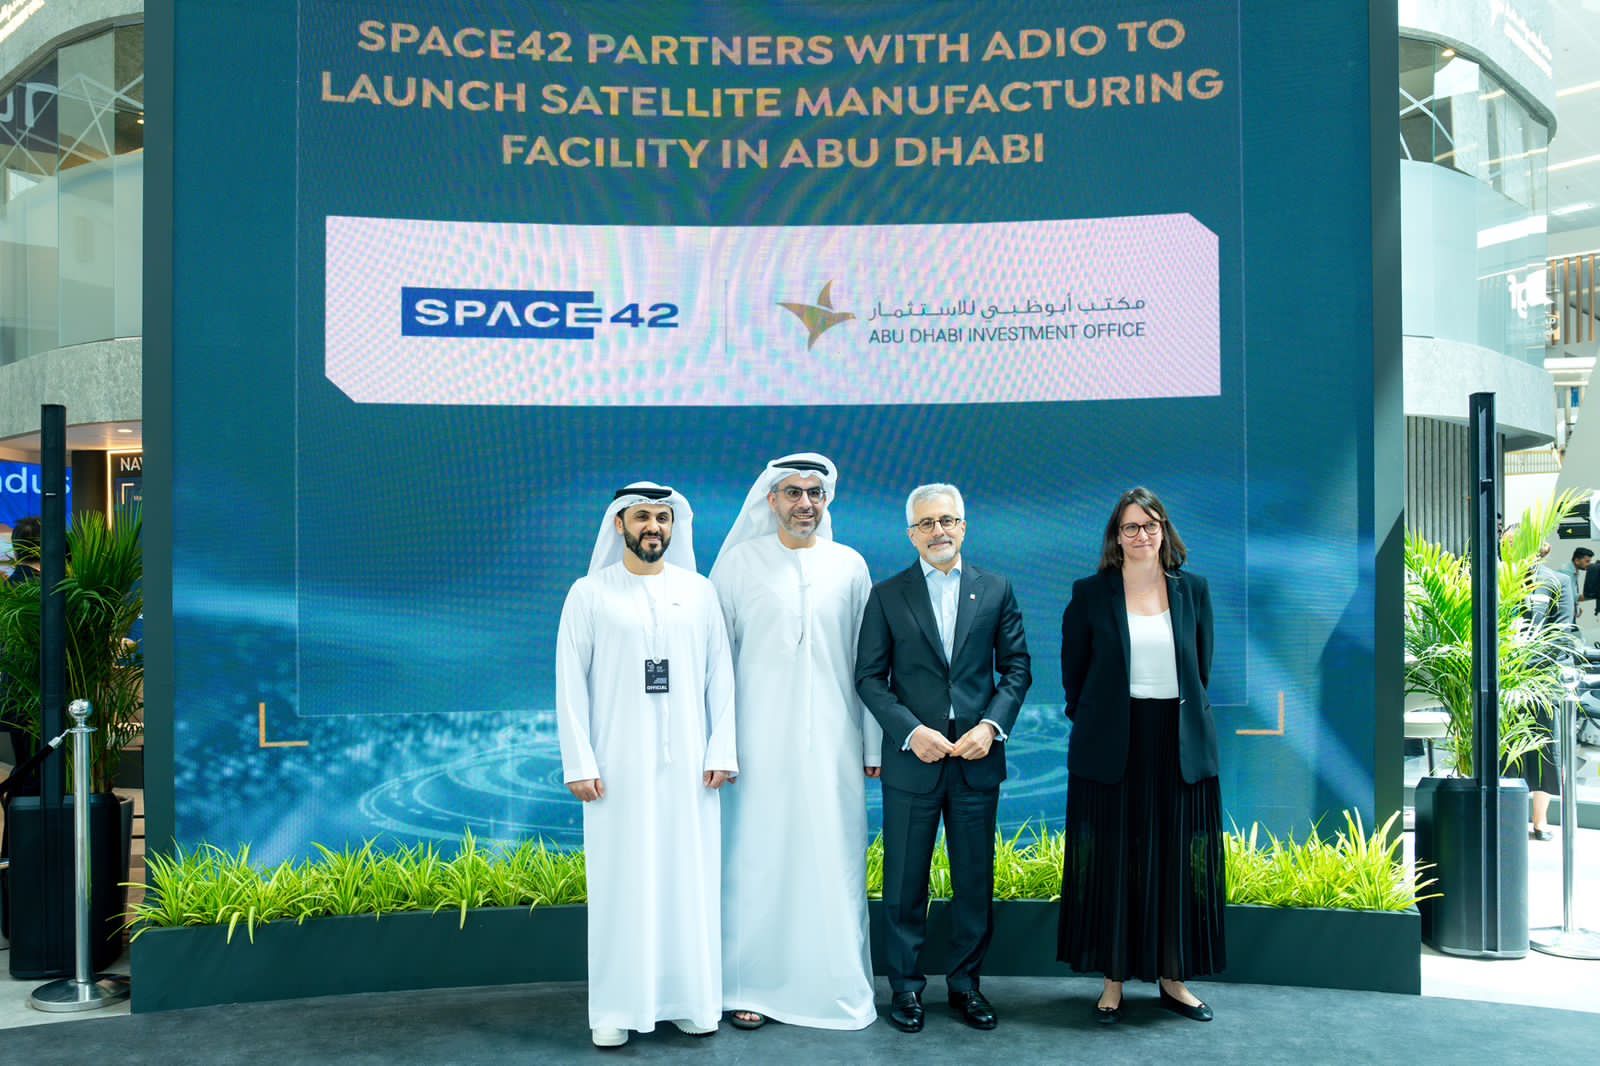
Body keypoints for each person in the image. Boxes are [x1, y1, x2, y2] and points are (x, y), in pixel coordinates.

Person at [555, 483, 738, 1048]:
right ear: (619, 524)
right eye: (642, 517)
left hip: (690, 767)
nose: (653, 526)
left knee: (689, 882)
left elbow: (720, 676)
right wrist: (579, 761)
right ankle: (615, 1008)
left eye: (662, 517)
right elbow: (570, 682)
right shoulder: (589, 593)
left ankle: (689, 1001)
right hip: (617, 769)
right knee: (622, 885)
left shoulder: (699, 592)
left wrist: (722, 749)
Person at [710, 453, 880, 1032]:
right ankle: (749, 986)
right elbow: (716, 666)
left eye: (815, 493)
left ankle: (833, 987)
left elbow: (868, 665)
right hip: (754, 748)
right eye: (793, 492)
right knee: (756, 859)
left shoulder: (850, 566)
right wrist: (719, 747)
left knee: (833, 861)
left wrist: (873, 748)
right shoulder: (737, 565)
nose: (805, 503)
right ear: (771, 500)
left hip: (835, 745)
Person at [855, 483, 1031, 1034]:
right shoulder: (887, 595)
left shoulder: (996, 589)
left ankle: (966, 985)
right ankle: (905, 988)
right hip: (915, 759)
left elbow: (1017, 668)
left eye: (948, 520)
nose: (939, 531)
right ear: (912, 534)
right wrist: (911, 732)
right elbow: (869, 677)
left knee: (974, 880)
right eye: (927, 523)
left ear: (963, 526)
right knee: (905, 881)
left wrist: (991, 727)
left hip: (976, 755)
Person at [1056, 487, 1225, 1024]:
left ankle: (1173, 978)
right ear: (1116, 535)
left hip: (1178, 744)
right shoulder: (1090, 593)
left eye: (1151, 525)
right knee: (1114, 860)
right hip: (1113, 745)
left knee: (1175, 862)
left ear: (1164, 530)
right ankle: (1113, 981)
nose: (1142, 535)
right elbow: (1074, 673)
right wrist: (1100, 718)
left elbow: (1201, 669)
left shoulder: (1193, 590)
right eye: (1131, 526)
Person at [1522, 544, 1575, 841]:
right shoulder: (1498, 580)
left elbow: (1561, 631)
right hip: (1505, 677)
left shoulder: (1557, 580)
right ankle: (1506, 812)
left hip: (1542, 676)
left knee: (1544, 747)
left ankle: (1539, 820)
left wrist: (1527, 665)